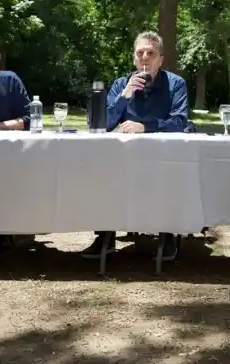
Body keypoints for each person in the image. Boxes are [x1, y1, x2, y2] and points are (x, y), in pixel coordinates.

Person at [82, 31, 192, 261]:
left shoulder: (175, 84)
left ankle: (168, 233)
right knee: (101, 172)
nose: (145, 58)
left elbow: (179, 122)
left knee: (172, 174)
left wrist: (145, 126)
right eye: (140, 53)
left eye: (151, 53)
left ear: (161, 58)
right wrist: (124, 96)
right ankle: (106, 233)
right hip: (126, 159)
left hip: (164, 158)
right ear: (134, 58)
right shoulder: (122, 84)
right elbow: (103, 123)